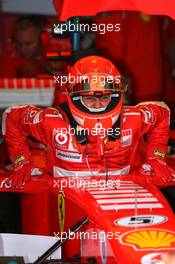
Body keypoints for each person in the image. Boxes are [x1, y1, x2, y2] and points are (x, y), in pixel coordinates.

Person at [2, 56, 175, 193]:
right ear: (75, 95)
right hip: (67, 198)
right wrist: (21, 160)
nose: (98, 104)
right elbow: (11, 116)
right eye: (90, 98)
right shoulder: (52, 122)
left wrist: (156, 157)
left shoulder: (133, 119)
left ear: (116, 94)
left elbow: (162, 111)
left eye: (104, 97)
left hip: (121, 195)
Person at [0, 15, 70, 77]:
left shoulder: (60, 49)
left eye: (28, 43)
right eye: (18, 43)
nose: (22, 48)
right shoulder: (10, 53)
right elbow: (5, 87)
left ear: (43, 38)